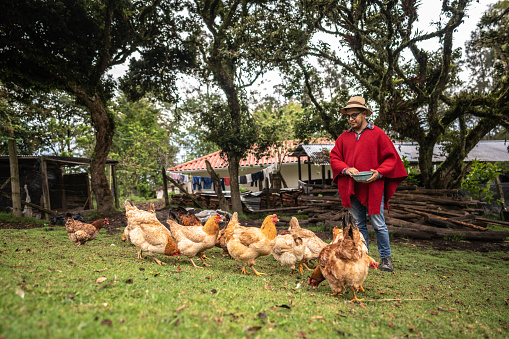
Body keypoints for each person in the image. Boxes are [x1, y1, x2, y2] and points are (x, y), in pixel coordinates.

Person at [330, 96, 407, 272]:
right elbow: (334, 157)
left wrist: (380, 172)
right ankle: (364, 258)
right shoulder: (344, 138)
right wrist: (346, 169)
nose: (350, 119)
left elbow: (392, 158)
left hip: (373, 187)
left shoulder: (378, 134)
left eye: (354, 115)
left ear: (364, 113)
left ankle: (386, 259)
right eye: (348, 116)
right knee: (358, 225)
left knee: (378, 224)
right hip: (353, 188)